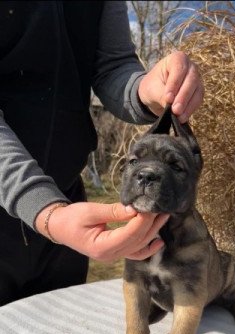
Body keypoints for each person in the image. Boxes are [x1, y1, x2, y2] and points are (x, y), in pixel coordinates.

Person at [0, 1, 204, 305]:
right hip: (32, 207)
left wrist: (145, 90)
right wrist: (46, 211)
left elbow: (112, 65)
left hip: (67, 202)